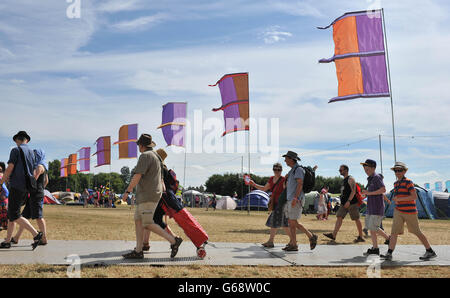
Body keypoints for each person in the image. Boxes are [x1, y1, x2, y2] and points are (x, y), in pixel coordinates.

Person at [122, 134, 182, 259]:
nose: (138, 146)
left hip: (147, 195)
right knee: (138, 221)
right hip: (150, 194)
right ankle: (138, 251)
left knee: (147, 223)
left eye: (139, 144)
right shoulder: (157, 157)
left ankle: (173, 241)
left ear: (141, 145)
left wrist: (127, 191)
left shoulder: (145, 156)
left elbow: (137, 175)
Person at [381, 162, 437, 261]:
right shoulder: (396, 183)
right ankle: (389, 253)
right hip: (398, 211)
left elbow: (414, 196)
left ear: (404, 171)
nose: (397, 172)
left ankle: (430, 251)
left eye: (400, 170)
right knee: (394, 232)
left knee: (417, 231)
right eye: (395, 170)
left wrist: (399, 199)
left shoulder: (408, 182)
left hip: (410, 212)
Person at [0, 131, 44, 249]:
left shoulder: (15, 150)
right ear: (27, 140)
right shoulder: (32, 153)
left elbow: (9, 168)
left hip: (16, 185)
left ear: (16, 140)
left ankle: (36, 234)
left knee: (14, 214)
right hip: (26, 187)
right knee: (12, 213)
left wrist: (1, 182)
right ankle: (8, 240)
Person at [141, 148, 178, 252]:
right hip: (162, 199)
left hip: (158, 199)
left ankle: (174, 239)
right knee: (151, 220)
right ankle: (145, 243)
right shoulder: (164, 168)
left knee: (151, 220)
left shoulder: (159, 168)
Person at [281, 151, 318, 252]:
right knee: (291, 223)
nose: (285, 160)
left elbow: (300, 184)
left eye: (286, 158)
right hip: (291, 199)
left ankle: (311, 236)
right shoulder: (293, 170)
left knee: (293, 222)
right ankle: (293, 244)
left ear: (292, 159)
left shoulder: (298, 170)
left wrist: (295, 198)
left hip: (295, 199)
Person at [250, 162, 291, 248]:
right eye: (275, 169)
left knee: (274, 221)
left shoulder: (284, 179)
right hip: (275, 203)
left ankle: (271, 241)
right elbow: (264, 188)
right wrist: (254, 184)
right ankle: (292, 241)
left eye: (278, 169)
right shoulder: (271, 179)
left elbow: (287, 191)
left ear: (281, 170)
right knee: (284, 224)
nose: (277, 171)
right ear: (273, 170)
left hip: (282, 204)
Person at [13, 149, 49, 245]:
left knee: (38, 216)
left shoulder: (39, 166)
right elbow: (46, 181)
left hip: (36, 194)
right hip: (35, 193)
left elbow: (33, 178)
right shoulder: (43, 166)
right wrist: (41, 189)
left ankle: (44, 239)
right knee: (25, 216)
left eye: (34, 154)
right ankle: (16, 238)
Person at [324, 165, 364, 242]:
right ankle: (333, 235)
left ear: (346, 170)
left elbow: (353, 191)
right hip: (343, 203)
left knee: (356, 219)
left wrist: (348, 201)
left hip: (352, 203)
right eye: (339, 170)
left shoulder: (350, 179)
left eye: (341, 170)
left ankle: (361, 237)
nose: (340, 171)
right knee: (339, 217)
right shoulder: (344, 180)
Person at [360, 159, 389, 256]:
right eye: (364, 168)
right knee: (371, 228)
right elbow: (374, 192)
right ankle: (375, 248)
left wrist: (369, 193)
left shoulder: (376, 177)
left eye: (367, 168)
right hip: (371, 207)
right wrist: (365, 194)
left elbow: (383, 189)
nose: (365, 169)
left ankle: (389, 238)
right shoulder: (370, 178)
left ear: (373, 168)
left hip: (377, 207)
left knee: (374, 227)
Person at [0, 162, 9, 231]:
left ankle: (4, 226)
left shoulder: (1, 178)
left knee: (4, 214)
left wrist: (4, 195)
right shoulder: (3, 177)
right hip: (3, 200)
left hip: (3, 200)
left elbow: (6, 191)